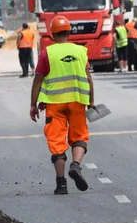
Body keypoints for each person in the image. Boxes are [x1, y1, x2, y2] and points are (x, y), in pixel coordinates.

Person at [30, 15, 94, 195]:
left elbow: (38, 80)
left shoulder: (47, 53)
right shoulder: (81, 51)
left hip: (54, 104)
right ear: (68, 32)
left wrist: (33, 104)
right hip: (77, 101)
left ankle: (61, 184)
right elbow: (89, 79)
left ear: (52, 34)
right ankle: (75, 164)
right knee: (80, 136)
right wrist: (91, 101)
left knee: (57, 142)